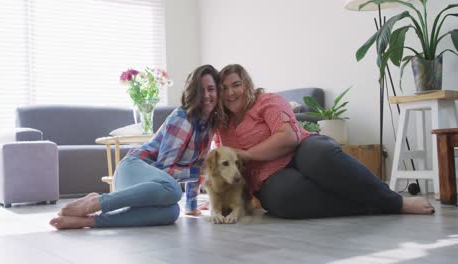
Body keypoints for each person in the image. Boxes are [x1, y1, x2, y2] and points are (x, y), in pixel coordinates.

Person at [215, 64, 435, 219]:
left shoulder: (267, 101)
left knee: (321, 156)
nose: (230, 93)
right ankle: (373, 206)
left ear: (247, 85)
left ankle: (395, 201)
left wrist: (245, 154)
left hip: (301, 149)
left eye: (236, 85)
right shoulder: (221, 127)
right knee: (284, 200)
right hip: (267, 176)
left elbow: (288, 137)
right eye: (224, 88)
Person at [49, 64, 224, 229]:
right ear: (193, 93)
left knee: (171, 212)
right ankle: (96, 203)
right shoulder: (183, 118)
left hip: (151, 188)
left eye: (211, 89)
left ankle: (90, 221)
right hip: (133, 169)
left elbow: (199, 166)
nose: (207, 95)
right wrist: (197, 171)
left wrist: (191, 206)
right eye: (201, 91)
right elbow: (164, 171)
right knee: (172, 190)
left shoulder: (209, 125)